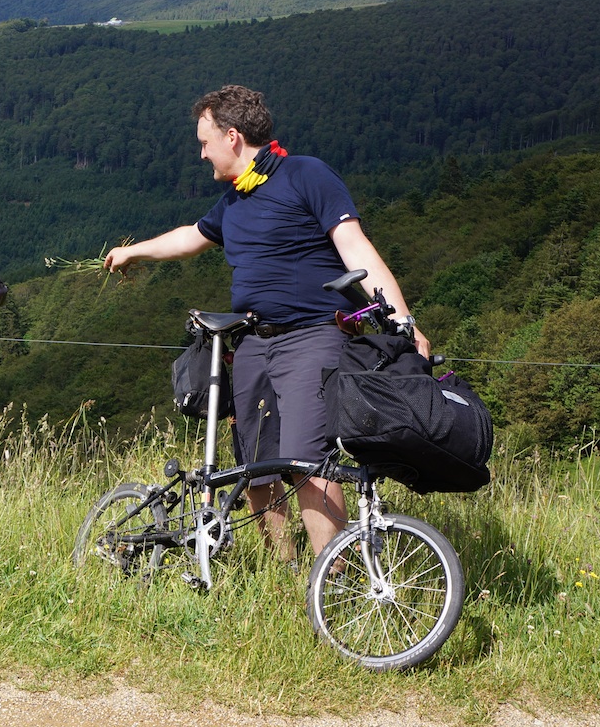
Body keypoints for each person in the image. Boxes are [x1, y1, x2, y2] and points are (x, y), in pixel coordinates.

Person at [104, 85, 430, 560]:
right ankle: (284, 568)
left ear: (232, 137)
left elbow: (357, 250)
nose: (202, 154)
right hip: (253, 342)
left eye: (205, 142)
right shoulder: (235, 200)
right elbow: (191, 237)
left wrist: (404, 321)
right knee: (255, 466)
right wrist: (133, 251)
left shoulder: (306, 175)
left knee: (306, 461)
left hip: (314, 337)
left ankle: (333, 579)